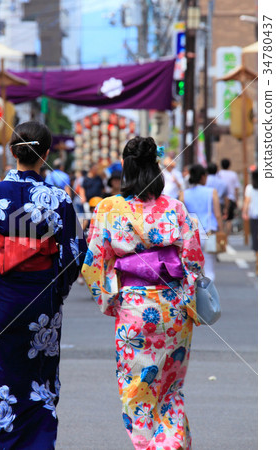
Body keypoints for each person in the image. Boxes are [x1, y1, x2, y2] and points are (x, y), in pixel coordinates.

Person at [0, 121, 87, 449]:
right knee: (41, 376)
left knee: (6, 377)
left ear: (12, 152)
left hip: (3, 299)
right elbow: (74, 254)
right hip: (43, 298)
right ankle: (40, 443)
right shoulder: (58, 199)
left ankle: (9, 442)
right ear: (45, 155)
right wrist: (57, 287)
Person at [82, 136, 204, 450]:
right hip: (173, 306)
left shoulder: (110, 208)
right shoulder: (175, 208)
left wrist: (111, 300)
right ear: (155, 167)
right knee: (169, 389)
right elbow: (192, 260)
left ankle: (149, 445)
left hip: (134, 309)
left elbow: (92, 264)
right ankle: (173, 442)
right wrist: (187, 300)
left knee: (138, 388)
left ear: (126, 168)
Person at [179, 164, 223, 281]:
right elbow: (218, 214)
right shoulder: (212, 192)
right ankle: (208, 295)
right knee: (209, 268)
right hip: (209, 232)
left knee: (193, 268)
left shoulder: (183, 194)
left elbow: (181, 216)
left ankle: (196, 294)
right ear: (203, 176)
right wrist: (222, 231)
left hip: (191, 234)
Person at [218, 158, 241, 235]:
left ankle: (221, 236)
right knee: (229, 219)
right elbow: (236, 188)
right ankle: (226, 237)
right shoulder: (233, 174)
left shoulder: (219, 174)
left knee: (220, 217)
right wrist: (237, 199)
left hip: (220, 198)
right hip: (231, 198)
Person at [242, 167, 258, 274]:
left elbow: (247, 201)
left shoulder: (249, 187)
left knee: (256, 241)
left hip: (254, 217)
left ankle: (258, 265)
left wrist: (244, 212)